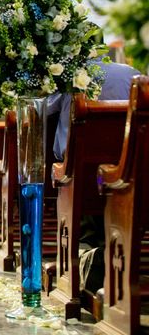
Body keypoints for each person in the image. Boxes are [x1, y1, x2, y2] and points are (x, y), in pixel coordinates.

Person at [47, 59, 139, 294]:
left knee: (80, 177)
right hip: (131, 169)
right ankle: (107, 251)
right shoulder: (132, 74)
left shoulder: (70, 78)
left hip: (85, 174)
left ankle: (88, 255)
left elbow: (43, 109)